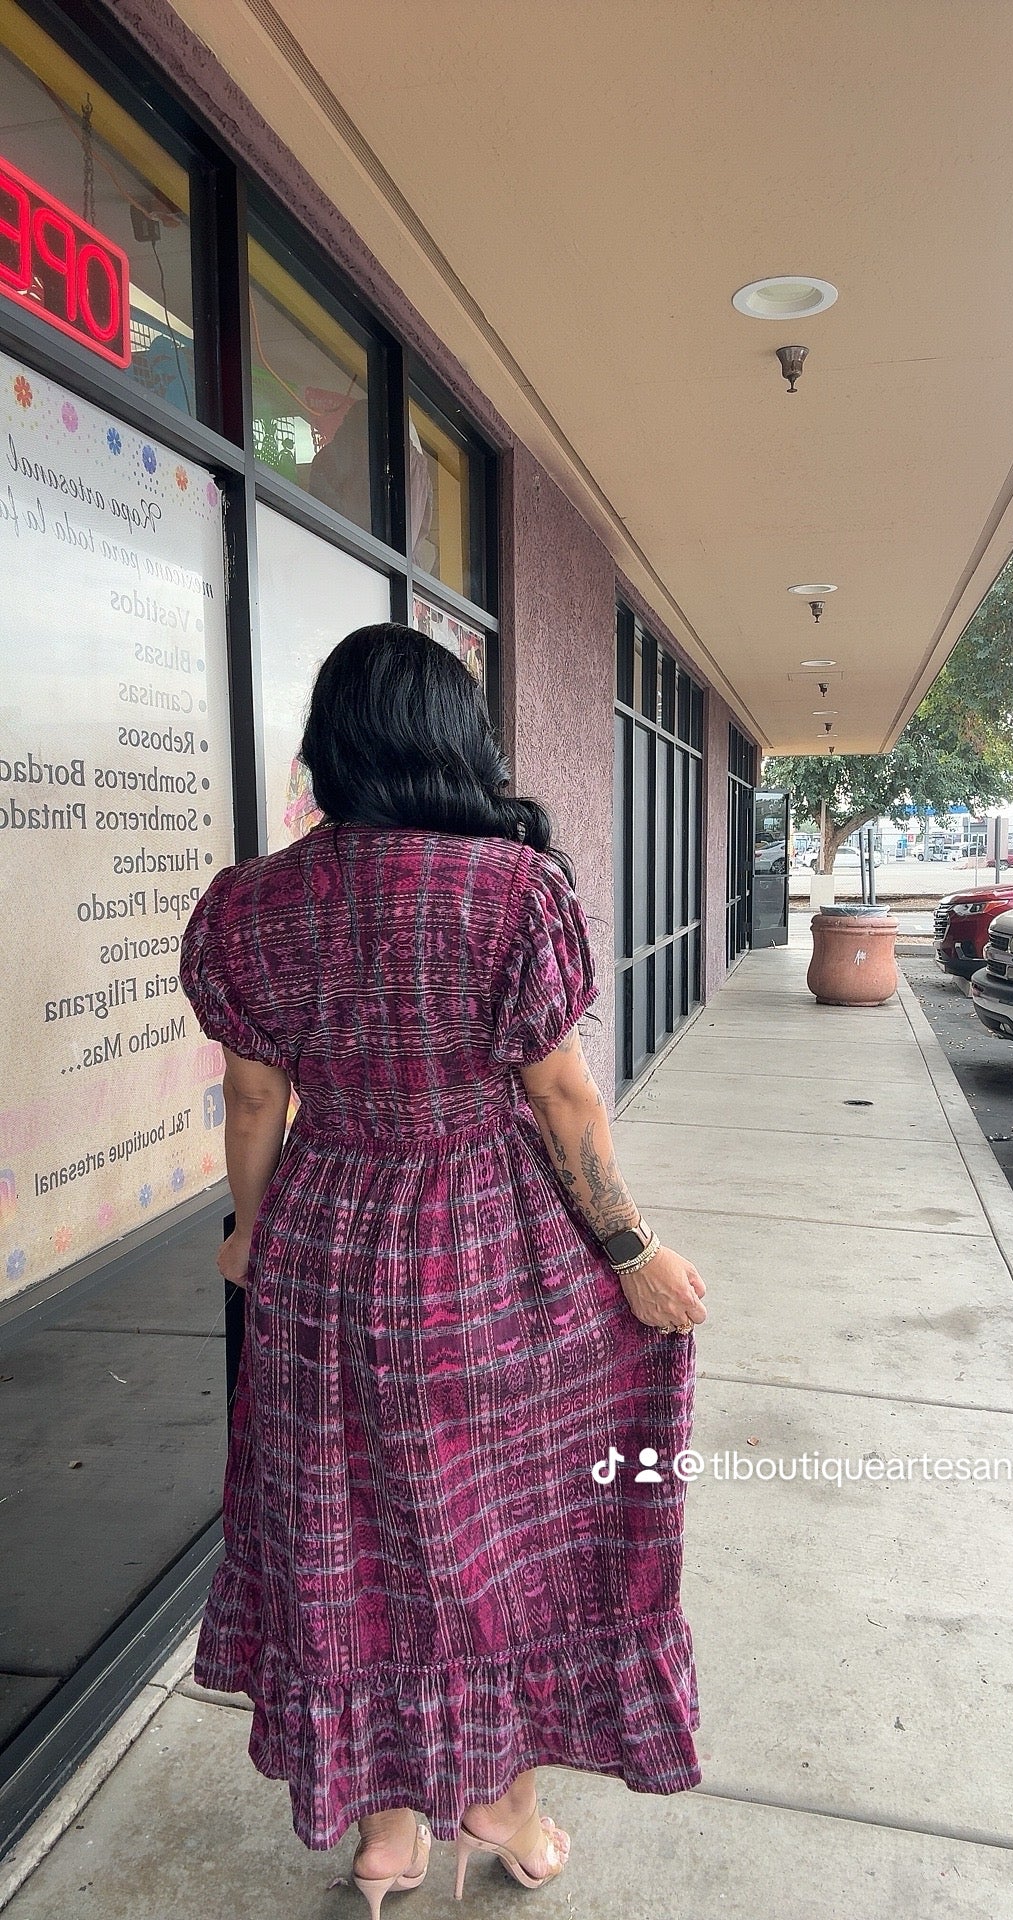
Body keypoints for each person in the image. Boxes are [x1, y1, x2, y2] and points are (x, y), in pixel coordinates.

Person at [179, 623, 707, 1915]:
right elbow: (566, 1100)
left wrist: (249, 1235)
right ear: (452, 742)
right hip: (489, 1241)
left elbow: (254, 1101)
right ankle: (502, 1801)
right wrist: (631, 1252)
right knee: (503, 1532)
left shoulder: (247, 906)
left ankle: (384, 1833)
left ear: (331, 747)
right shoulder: (512, 892)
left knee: (351, 1532)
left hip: (322, 1243)